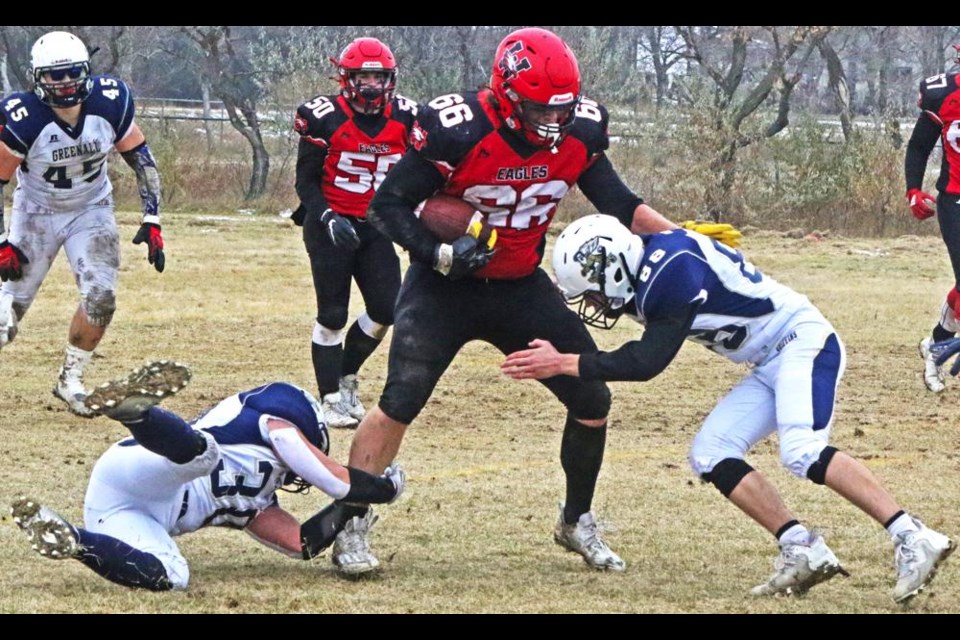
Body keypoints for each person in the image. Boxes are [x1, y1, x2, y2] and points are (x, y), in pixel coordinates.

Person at [322, 27, 737, 576]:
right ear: (506, 93)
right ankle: (353, 521)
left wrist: (684, 238)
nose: (553, 121)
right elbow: (388, 204)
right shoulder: (459, 128)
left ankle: (576, 521)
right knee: (401, 398)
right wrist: (439, 252)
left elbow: (619, 203)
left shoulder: (579, 130)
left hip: (520, 283)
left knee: (592, 399)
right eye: (540, 108)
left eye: (561, 109)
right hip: (442, 286)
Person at [502, 213, 956, 603]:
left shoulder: (671, 273)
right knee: (712, 451)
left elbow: (645, 362)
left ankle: (912, 535)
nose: (596, 304)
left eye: (596, 291)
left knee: (801, 449)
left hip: (802, 341)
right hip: (767, 359)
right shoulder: (649, 262)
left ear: (615, 264)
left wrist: (563, 363)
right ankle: (802, 547)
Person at [10, 360, 405, 591]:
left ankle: (74, 540)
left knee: (174, 576)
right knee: (206, 455)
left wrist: (351, 505)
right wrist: (382, 489)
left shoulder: (260, 503)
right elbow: (334, 480)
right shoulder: (271, 425)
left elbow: (300, 543)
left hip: (121, 508)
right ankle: (137, 414)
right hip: (146, 466)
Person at [0, 31, 166, 416]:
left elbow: (140, 157)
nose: (65, 83)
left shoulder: (109, 103)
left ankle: (71, 380)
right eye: (55, 76)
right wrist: (3, 240)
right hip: (36, 211)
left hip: (91, 209)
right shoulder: (24, 119)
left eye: (72, 72)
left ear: (87, 70)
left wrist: (152, 216)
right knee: (5, 324)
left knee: (100, 299)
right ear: (37, 78)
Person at [292, 37, 419, 428]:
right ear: (346, 78)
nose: (370, 85)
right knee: (332, 314)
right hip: (330, 222)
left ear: (390, 79)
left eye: (377, 77)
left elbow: (419, 175)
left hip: (376, 223)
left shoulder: (409, 118)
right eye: (363, 76)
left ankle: (344, 376)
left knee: (386, 309)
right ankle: (329, 397)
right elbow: (306, 182)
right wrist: (329, 216)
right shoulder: (324, 116)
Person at [907, 44, 960, 393]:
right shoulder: (944, 94)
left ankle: (938, 344)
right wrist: (914, 189)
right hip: (956, 199)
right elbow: (919, 146)